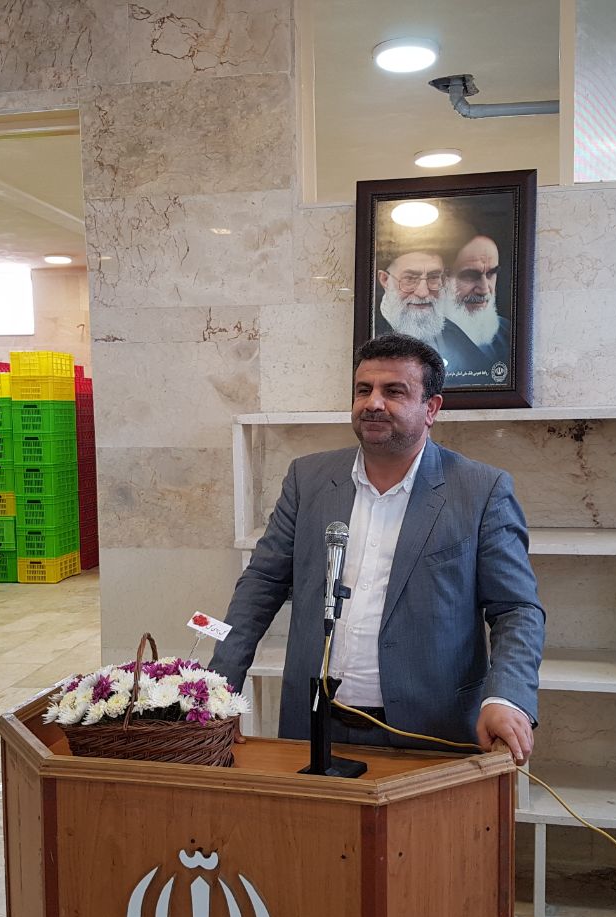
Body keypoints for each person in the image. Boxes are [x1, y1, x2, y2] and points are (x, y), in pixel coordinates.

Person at [209, 334, 545, 761]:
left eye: (394, 391)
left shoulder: (481, 490)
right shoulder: (307, 479)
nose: (373, 403)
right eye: (363, 390)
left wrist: (507, 696)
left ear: (431, 408)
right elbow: (261, 583)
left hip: (432, 730)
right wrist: (219, 688)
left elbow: (517, 609)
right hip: (312, 728)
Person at [373, 248, 496, 386]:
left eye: (433, 278)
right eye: (410, 279)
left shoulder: (452, 332)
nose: (423, 292)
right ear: (385, 280)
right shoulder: (369, 331)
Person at [444, 234, 511, 386]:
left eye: (491, 273)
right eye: (470, 275)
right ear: (444, 278)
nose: (485, 289)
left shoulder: (507, 332)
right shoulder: (421, 337)